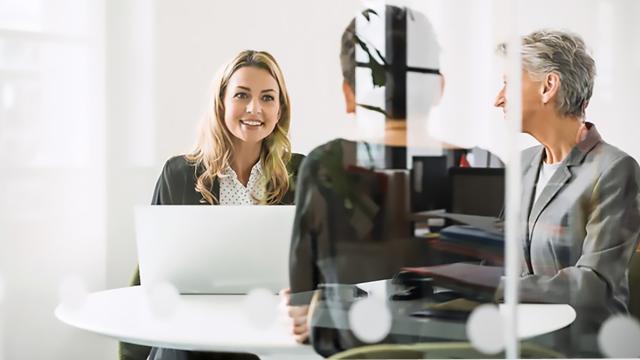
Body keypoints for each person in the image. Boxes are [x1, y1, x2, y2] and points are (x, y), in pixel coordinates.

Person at [282, 5, 451, 356]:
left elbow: (301, 310)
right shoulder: (485, 169)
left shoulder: (323, 167)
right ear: (438, 87)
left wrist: (314, 307)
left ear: (349, 95)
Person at [119, 50, 305, 360]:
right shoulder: (178, 174)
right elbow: (150, 277)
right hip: (191, 336)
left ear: (280, 109)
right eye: (241, 95)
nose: (254, 108)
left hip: (271, 334)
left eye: (268, 98)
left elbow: (319, 269)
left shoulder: (300, 174)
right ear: (221, 102)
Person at [494, 30, 640, 336]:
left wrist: (491, 285)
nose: (498, 99)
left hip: (583, 343)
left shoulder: (615, 169)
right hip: (521, 337)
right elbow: (497, 257)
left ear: (548, 86)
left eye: (508, 82)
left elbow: (593, 286)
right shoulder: (521, 165)